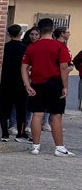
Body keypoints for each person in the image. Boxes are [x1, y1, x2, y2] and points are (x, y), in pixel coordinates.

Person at [22, 17, 74, 157]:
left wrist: (27, 85)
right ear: (52, 29)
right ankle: (59, 148)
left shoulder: (32, 47)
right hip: (55, 83)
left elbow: (24, 67)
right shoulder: (59, 46)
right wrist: (65, 86)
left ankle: (35, 146)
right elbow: (64, 67)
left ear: (39, 30)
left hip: (37, 83)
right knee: (56, 116)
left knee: (37, 114)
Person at [0, 23, 28, 141]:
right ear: (20, 34)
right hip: (21, 82)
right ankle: (20, 133)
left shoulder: (4, 48)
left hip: (6, 82)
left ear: (8, 34)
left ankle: (4, 134)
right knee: (21, 110)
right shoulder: (25, 48)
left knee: (4, 109)